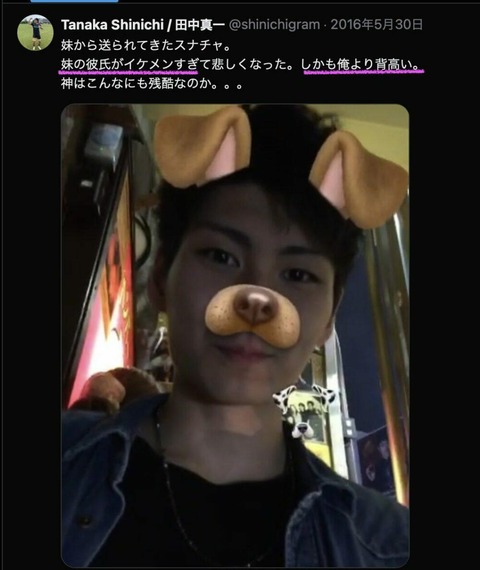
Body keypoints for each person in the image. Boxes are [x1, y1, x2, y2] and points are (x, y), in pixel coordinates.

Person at [62, 104, 409, 567]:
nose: (257, 300)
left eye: (298, 274)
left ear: (329, 316)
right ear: (161, 276)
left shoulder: (390, 547)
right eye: (222, 256)